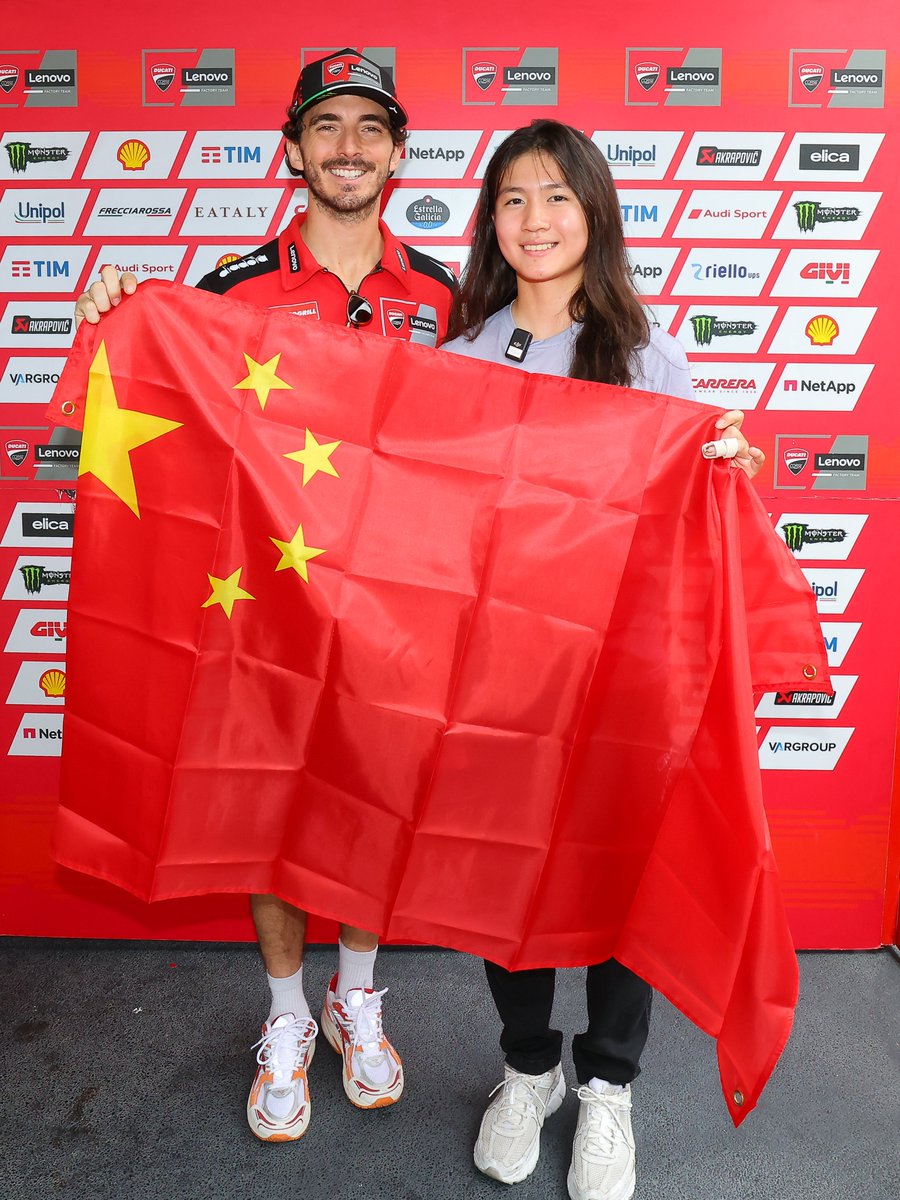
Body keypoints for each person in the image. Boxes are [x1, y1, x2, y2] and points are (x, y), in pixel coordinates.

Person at [73, 48, 455, 1144]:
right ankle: (288, 1015)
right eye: (326, 126)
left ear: (397, 151)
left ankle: (359, 999)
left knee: (377, 810)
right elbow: (157, 395)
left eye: (368, 128)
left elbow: (522, 440)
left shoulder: (443, 292)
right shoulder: (231, 289)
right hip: (263, 610)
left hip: (398, 612)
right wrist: (115, 306)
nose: (348, 146)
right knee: (269, 819)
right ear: (292, 149)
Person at [443, 120, 764, 1200]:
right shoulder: (460, 358)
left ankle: (609, 1089)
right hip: (502, 678)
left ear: (595, 214)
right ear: (492, 222)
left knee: (620, 880)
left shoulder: (646, 355)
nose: (535, 221)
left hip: (620, 679)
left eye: (557, 198)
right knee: (512, 878)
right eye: (513, 200)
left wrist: (726, 457)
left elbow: (701, 483)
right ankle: (527, 1068)